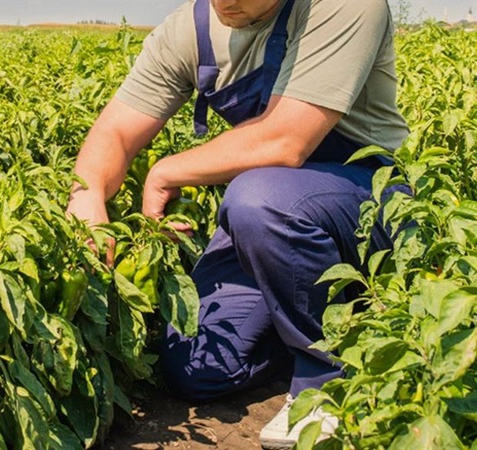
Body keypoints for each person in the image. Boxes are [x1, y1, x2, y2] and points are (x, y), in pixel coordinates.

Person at [66, 0, 409, 447]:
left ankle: (326, 383)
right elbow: (116, 131)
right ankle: (340, 319)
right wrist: (87, 193)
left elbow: (288, 140)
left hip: (365, 201)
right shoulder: (191, 30)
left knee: (257, 199)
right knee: (197, 364)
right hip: (271, 222)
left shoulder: (344, 5)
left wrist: (167, 169)